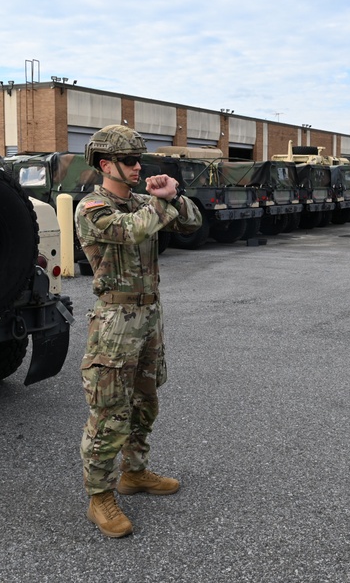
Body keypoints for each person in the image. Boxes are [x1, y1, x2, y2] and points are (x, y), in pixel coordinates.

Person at [74, 124, 202, 538]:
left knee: (145, 403)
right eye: (129, 161)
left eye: (139, 159)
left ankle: (135, 473)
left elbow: (193, 222)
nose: (137, 167)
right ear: (105, 164)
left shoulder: (145, 202)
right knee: (110, 412)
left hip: (148, 318)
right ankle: (99, 496)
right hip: (114, 323)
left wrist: (174, 196)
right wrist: (163, 202)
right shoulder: (93, 208)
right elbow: (133, 231)